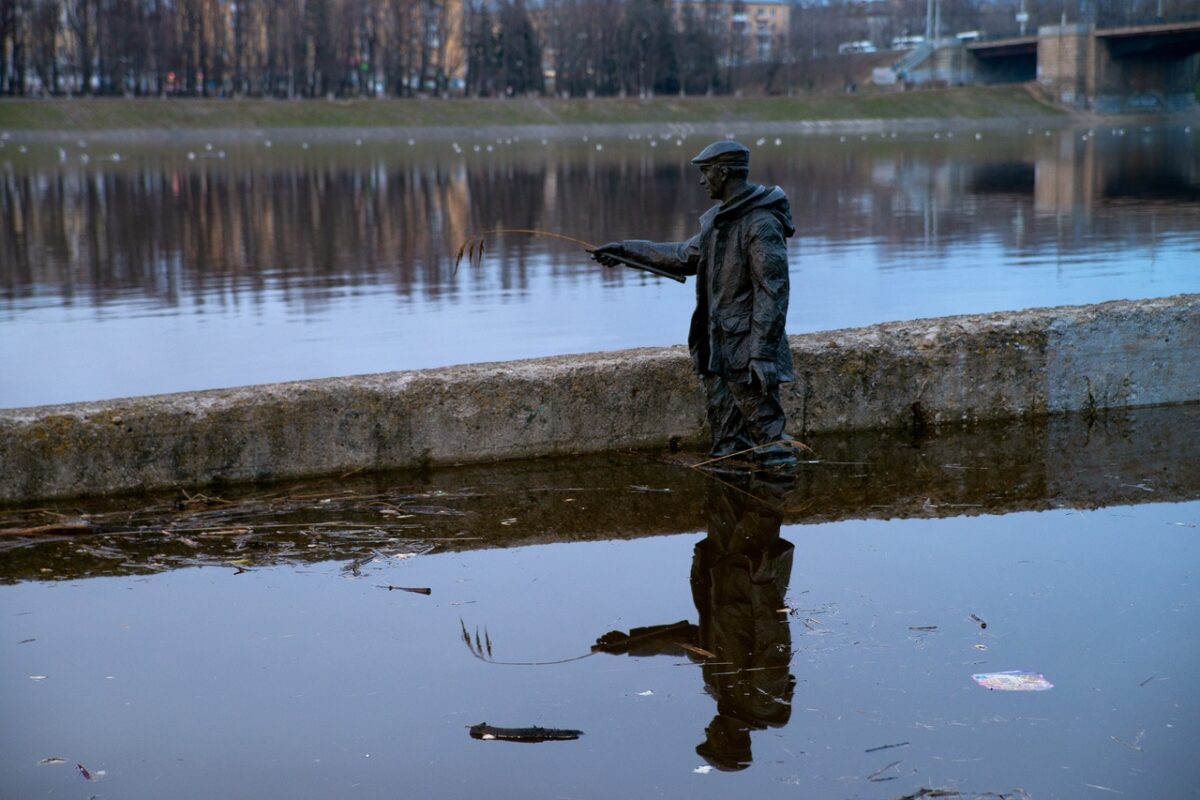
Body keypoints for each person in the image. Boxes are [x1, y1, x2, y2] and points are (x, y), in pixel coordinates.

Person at [592, 140, 797, 467]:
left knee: (771, 446)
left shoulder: (761, 222)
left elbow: (773, 292)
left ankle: (772, 503)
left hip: (747, 354)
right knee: (727, 448)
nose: (702, 181)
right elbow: (681, 257)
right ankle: (731, 510)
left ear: (724, 172)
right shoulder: (718, 219)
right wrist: (624, 251)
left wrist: (761, 353)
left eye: (706, 172)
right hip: (719, 352)